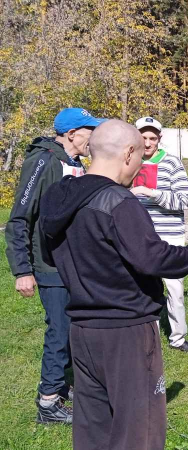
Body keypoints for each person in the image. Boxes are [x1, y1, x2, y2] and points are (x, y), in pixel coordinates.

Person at [39, 120, 188, 449]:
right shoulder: (119, 202)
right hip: (127, 331)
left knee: (93, 427)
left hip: (82, 330)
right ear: (129, 153)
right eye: (138, 161)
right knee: (139, 429)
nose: (138, 170)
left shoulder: (58, 197)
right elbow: (156, 259)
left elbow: (49, 253)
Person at [5, 107, 104, 424]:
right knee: (59, 334)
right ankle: (48, 403)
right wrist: (22, 270)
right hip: (50, 267)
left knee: (75, 333)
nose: (94, 135)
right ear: (73, 133)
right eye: (90, 129)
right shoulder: (44, 161)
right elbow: (19, 218)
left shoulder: (75, 163)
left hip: (75, 266)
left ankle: (64, 387)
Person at [132, 116, 188, 354]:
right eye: (143, 137)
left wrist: (152, 193)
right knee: (140, 288)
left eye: (153, 138)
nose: (148, 142)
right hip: (139, 235)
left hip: (170, 235)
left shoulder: (172, 163)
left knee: (174, 289)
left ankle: (178, 338)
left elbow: (184, 200)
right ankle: (144, 339)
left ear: (159, 139)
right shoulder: (128, 162)